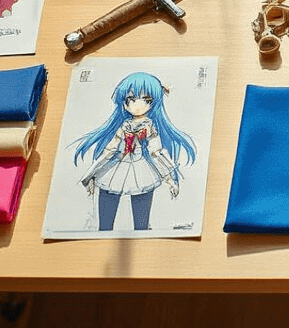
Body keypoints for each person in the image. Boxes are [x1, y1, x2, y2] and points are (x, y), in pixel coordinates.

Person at [72, 72, 196, 231]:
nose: (137, 104)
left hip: (141, 170)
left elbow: (156, 152)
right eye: (130, 99)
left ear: (153, 102)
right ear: (124, 103)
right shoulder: (124, 126)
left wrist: (170, 179)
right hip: (116, 168)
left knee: (141, 226)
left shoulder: (149, 126)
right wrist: (90, 175)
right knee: (105, 226)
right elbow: (109, 150)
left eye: (146, 99)